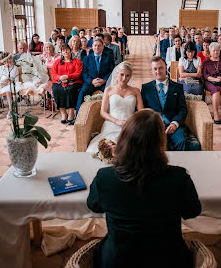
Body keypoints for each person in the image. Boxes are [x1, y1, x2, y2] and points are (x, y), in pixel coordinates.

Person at [87, 108, 201, 268]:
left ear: (124, 138)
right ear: (160, 142)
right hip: (169, 260)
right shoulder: (179, 177)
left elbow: (94, 205)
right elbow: (193, 211)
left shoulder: (105, 177)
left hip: (118, 261)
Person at [86, 62, 143, 153]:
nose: (124, 79)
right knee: (107, 148)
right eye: (122, 75)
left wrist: (131, 122)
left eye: (127, 76)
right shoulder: (109, 90)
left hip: (130, 124)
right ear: (116, 74)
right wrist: (117, 121)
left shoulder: (135, 91)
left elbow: (141, 112)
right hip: (112, 123)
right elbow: (103, 112)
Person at [141, 56, 188, 151]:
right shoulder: (146, 88)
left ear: (166, 67)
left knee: (182, 141)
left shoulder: (178, 87)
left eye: (160, 68)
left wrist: (175, 123)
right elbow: (142, 110)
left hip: (173, 124)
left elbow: (183, 109)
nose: (158, 71)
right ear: (151, 71)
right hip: (154, 126)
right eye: (155, 69)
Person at [76, 38, 115, 116]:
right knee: (82, 92)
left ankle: (111, 115)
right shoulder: (87, 58)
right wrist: (91, 81)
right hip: (90, 82)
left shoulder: (108, 57)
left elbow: (112, 71)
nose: (97, 47)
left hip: (104, 83)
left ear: (103, 47)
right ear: (92, 47)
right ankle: (78, 116)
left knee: (112, 94)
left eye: (99, 46)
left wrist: (104, 80)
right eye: (95, 45)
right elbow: (84, 73)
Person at [51, 44, 83, 124]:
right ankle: (63, 113)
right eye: (63, 50)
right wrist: (60, 78)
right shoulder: (57, 62)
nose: (65, 51)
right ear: (61, 52)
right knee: (56, 89)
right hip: (60, 81)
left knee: (70, 90)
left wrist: (67, 77)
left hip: (74, 81)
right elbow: (53, 74)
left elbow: (78, 74)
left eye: (67, 49)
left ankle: (71, 112)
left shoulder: (77, 61)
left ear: (70, 50)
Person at [203, 42, 221, 124]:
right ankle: (215, 113)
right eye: (214, 50)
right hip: (211, 82)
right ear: (210, 52)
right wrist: (215, 79)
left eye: (217, 50)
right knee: (216, 91)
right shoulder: (206, 62)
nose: (216, 52)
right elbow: (205, 75)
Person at [0, 55, 20, 120]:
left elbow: (16, 80)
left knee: (8, 91)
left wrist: (10, 80)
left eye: (11, 61)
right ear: (4, 62)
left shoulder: (15, 68)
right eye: (9, 62)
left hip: (11, 84)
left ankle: (11, 110)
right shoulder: (0, 68)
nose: (11, 63)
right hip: (2, 83)